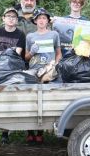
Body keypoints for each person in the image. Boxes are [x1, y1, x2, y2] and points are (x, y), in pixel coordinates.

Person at [0, 7, 26, 144]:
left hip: (11, 71)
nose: (11, 18)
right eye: (8, 16)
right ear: (3, 18)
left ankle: (5, 133)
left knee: (7, 102)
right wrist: (0, 54)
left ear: (17, 20)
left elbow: (18, 52)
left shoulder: (20, 35)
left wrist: (3, 53)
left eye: (14, 17)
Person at [25, 8, 62, 143]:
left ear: (47, 20)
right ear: (35, 21)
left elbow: (58, 53)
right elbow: (26, 57)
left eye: (44, 18)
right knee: (31, 102)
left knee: (45, 101)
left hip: (49, 71)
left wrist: (56, 64)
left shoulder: (54, 34)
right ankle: (29, 132)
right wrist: (32, 52)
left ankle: (40, 132)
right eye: (39, 18)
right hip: (34, 71)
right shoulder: (30, 36)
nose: (41, 20)